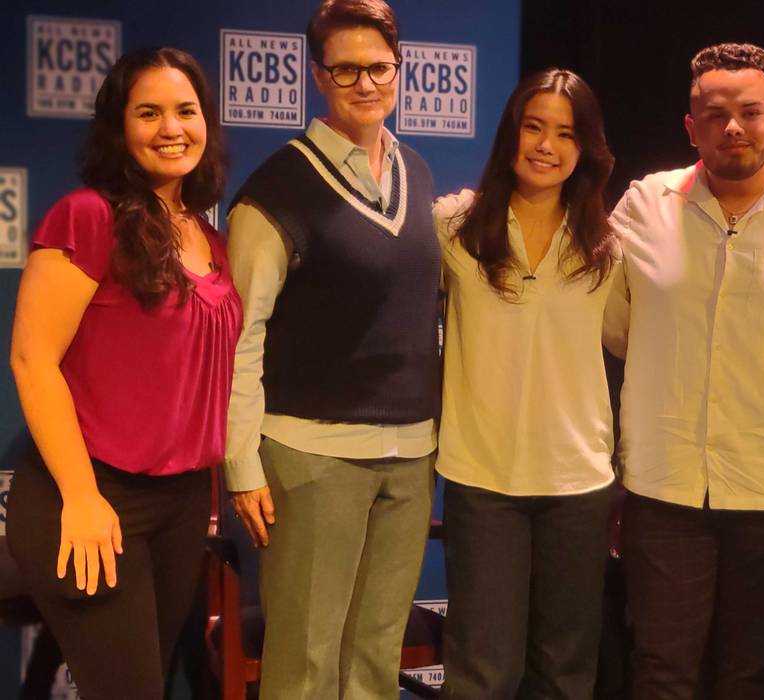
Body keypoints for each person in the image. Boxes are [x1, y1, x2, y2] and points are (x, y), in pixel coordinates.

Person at [603, 43, 764, 700]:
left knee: (744, 678)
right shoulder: (644, 205)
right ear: (692, 128)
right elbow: (613, 329)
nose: (733, 127)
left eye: (749, 112)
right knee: (661, 671)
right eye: (715, 115)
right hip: (665, 488)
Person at [223, 0, 441, 696]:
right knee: (307, 660)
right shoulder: (276, 189)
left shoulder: (417, 169)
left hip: (410, 457)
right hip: (311, 458)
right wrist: (241, 465)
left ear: (399, 71)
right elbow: (240, 336)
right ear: (319, 77)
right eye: (345, 69)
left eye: (378, 67)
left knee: (375, 656)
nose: (365, 82)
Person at [7, 47, 238, 699]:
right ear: (120, 127)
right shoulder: (87, 216)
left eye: (186, 111)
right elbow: (31, 358)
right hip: (87, 495)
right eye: (149, 113)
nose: (172, 128)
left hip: (183, 504)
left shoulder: (209, 238)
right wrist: (82, 497)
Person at [433, 67, 617, 699]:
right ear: (510, 132)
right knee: (482, 672)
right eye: (533, 127)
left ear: (585, 148)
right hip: (483, 479)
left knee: (565, 674)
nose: (546, 145)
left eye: (565, 134)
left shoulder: (608, 245)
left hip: (579, 482)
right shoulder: (454, 227)